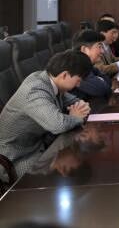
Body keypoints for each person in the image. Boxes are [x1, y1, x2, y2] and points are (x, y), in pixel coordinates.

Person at [0, 50, 92, 178]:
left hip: (37, 145)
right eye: (78, 80)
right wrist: (75, 117)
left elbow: (75, 102)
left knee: (66, 149)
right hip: (15, 158)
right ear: (65, 75)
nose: (79, 84)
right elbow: (58, 125)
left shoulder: (50, 81)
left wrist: (82, 107)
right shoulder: (35, 90)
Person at [70, 30, 113, 103]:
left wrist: (100, 80)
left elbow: (108, 80)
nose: (102, 51)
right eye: (99, 47)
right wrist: (100, 80)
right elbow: (102, 89)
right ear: (84, 49)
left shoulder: (87, 65)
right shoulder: (75, 67)